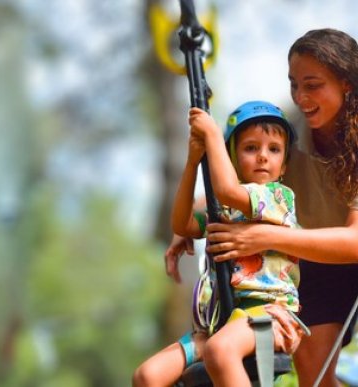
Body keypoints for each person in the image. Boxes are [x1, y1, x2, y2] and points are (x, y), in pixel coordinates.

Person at [201, 29, 358, 387]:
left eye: (313, 85)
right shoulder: (289, 127)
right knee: (314, 377)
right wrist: (196, 216)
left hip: (343, 254)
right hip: (306, 257)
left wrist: (263, 236)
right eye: (294, 85)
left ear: (347, 83)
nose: (301, 97)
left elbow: (354, 242)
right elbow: (252, 181)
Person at [133, 101, 308, 387]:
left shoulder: (279, 198)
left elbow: (227, 190)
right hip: (218, 324)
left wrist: (213, 135)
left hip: (268, 315)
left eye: (273, 149)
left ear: (284, 163)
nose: (263, 156)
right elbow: (182, 224)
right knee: (147, 376)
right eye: (251, 148)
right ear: (232, 158)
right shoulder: (222, 209)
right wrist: (193, 162)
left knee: (220, 351)